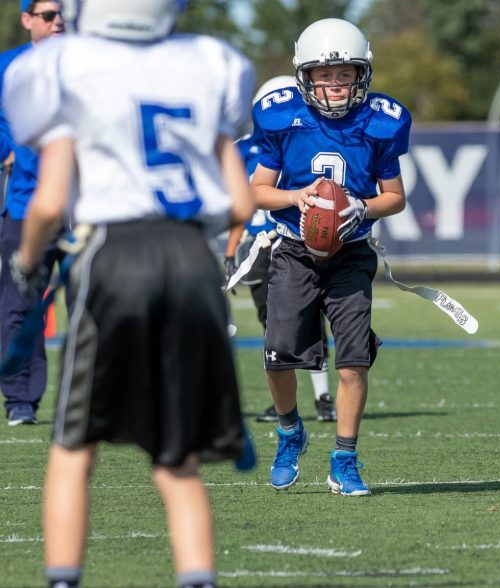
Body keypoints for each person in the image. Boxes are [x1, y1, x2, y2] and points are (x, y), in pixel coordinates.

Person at [2, 0, 256, 586]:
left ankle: (63, 578)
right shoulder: (209, 61)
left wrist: (26, 261)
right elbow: (240, 204)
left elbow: (47, 200)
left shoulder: (64, 65)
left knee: (73, 444)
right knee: (177, 456)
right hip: (193, 258)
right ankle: (198, 578)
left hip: (113, 253)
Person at [251, 18, 409, 495]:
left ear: (362, 75)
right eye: (324, 75)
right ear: (305, 77)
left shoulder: (382, 120)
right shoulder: (281, 116)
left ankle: (345, 457)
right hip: (294, 251)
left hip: (352, 251)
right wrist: (297, 197)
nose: (335, 85)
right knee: (278, 356)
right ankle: (289, 432)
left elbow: (395, 197)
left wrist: (362, 205)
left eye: (344, 75)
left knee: (353, 360)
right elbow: (257, 191)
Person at [225, 75, 337, 424]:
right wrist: (231, 252)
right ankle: (285, 402)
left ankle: (322, 396)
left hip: (297, 237)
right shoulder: (243, 149)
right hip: (259, 244)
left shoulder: (308, 137)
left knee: (312, 318)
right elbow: (240, 206)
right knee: (274, 327)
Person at [0, 0, 64, 426]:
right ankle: (21, 399)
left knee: (102, 304)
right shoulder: (7, 67)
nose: (57, 21)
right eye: (47, 15)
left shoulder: (92, 61)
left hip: (88, 205)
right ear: (26, 20)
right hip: (26, 204)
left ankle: (101, 399)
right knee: (18, 306)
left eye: (63, 14)